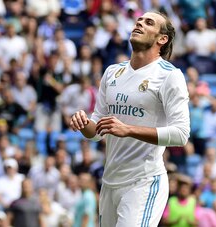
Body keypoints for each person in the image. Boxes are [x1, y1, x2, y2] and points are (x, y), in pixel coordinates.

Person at [70, 11, 190, 227]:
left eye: (149, 22)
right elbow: (96, 132)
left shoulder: (169, 76)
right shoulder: (112, 72)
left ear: (162, 39)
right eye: (139, 20)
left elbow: (181, 134)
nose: (140, 23)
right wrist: (84, 123)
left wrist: (128, 129)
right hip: (110, 182)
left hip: (143, 182)